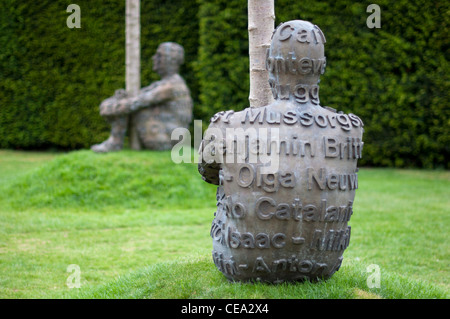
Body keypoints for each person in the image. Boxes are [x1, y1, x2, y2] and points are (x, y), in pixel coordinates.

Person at [91, 42, 193, 152]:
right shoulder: (167, 83)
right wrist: (119, 99)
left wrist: (108, 106)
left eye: (159, 56)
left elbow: (134, 103)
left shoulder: (169, 87)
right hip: (169, 137)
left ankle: (115, 143)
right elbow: (139, 96)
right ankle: (114, 143)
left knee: (134, 109)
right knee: (129, 105)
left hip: (167, 141)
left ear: (170, 60)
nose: (154, 58)